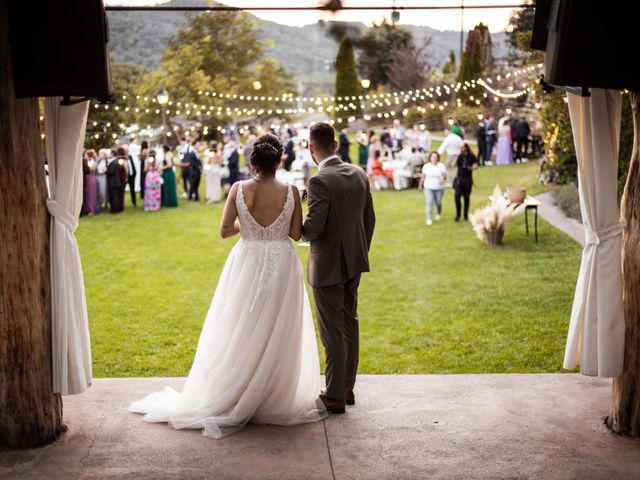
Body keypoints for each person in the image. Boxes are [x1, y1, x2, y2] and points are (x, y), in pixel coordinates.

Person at [129, 134, 328, 439]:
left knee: (241, 324)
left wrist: (247, 226)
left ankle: (237, 389)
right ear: (278, 161)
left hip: (246, 260)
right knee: (278, 326)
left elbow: (224, 231)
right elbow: (296, 233)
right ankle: (271, 394)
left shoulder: (238, 189)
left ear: (253, 160)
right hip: (281, 262)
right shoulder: (290, 190)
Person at [303, 122, 376, 414]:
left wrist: (297, 211)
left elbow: (312, 229)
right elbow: (369, 220)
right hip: (355, 262)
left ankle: (333, 394)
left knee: (331, 330)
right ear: (335, 145)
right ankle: (347, 388)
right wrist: (358, 252)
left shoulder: (318, 181)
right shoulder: (359, 173)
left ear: (311, 149)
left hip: (328, 266)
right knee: (350, 323)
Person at [419, 151, 447, 225]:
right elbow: (423, 176)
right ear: (430, 158)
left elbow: (445, 176)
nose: (434, 158)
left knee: (438, 202)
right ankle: (429, 218)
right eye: (432, 157)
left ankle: (438, 213)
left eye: (435, 157)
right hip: (428, 187)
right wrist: (420, 186)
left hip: (439, 187)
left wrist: (443, 178)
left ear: (438, 158)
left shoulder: (441, 166)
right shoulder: (426, 166)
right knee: (429, 202)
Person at [453, 143, 479, 222]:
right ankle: (458, 214)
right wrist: (457, 156)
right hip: (459, 179)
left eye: (461, 147)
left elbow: (476, 165)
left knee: (466, 197)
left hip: (467, 179)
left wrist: (472, 167)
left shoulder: (471, 155)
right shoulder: (459, 156)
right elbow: (453, 165)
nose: (460, 149)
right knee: (457, 196)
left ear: (466, 147)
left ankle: (465, 215)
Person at [107, 149, 127, 213]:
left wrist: (106, 170)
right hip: (116, 182)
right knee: (116, 196)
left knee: (115, 197)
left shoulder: (114, 162)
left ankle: (115, 209)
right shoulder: (116, 161)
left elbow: (111, 171)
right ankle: (116, 209)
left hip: (114, 182)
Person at [82, 149, 98, 216]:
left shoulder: (92, 161)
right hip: (87, 178)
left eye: (85, 154)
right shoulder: (87, 161)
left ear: (88, 155)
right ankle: (86, 208)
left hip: (91, 179)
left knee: (91, 195)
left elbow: (91, 169)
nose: (84, 156)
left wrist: (87, 166)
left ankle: (91, 210)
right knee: (87, 194)